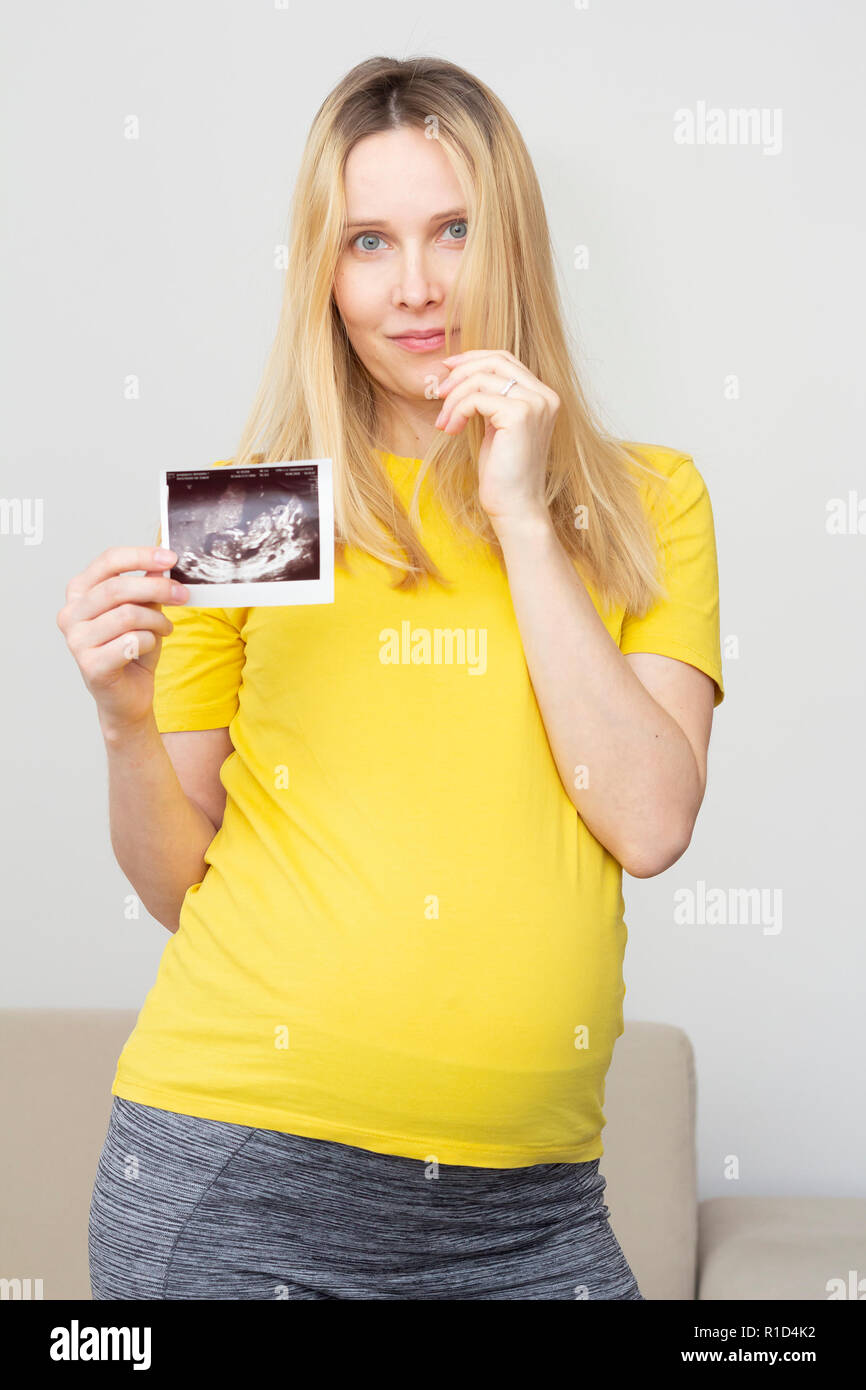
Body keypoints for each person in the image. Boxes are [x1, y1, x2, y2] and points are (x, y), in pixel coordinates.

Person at [58, 55, 724, 1301]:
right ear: (325, 271)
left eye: (452, 231)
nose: (415, 288)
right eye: (368, 241)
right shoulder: (259, 513)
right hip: (238, 1173)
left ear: (513, 241)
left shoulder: (643, 502)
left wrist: (522, 519)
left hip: (532, 1212)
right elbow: (178, 884)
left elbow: (647, 819)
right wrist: (123, 724)